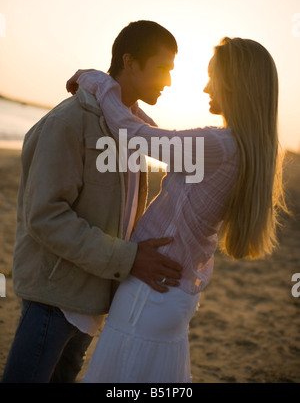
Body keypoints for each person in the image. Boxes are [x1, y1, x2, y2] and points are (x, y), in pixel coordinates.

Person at [70, 37, 287, 383]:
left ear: (233, 83)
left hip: (150, 293)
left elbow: (134, 136)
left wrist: (97, 82)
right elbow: (155, 137)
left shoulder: (217, 145)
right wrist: (128, 105)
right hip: (173, 295)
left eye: (212, 77)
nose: (205, 87)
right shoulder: (237, 147)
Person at [1, 20, 183, 383]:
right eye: (162, 68)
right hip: (53, 299)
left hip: (95, 300)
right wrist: (129, 258)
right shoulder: (69, 122)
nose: (169, 81)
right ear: (130, 62)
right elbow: (45, 217)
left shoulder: (131, 131)